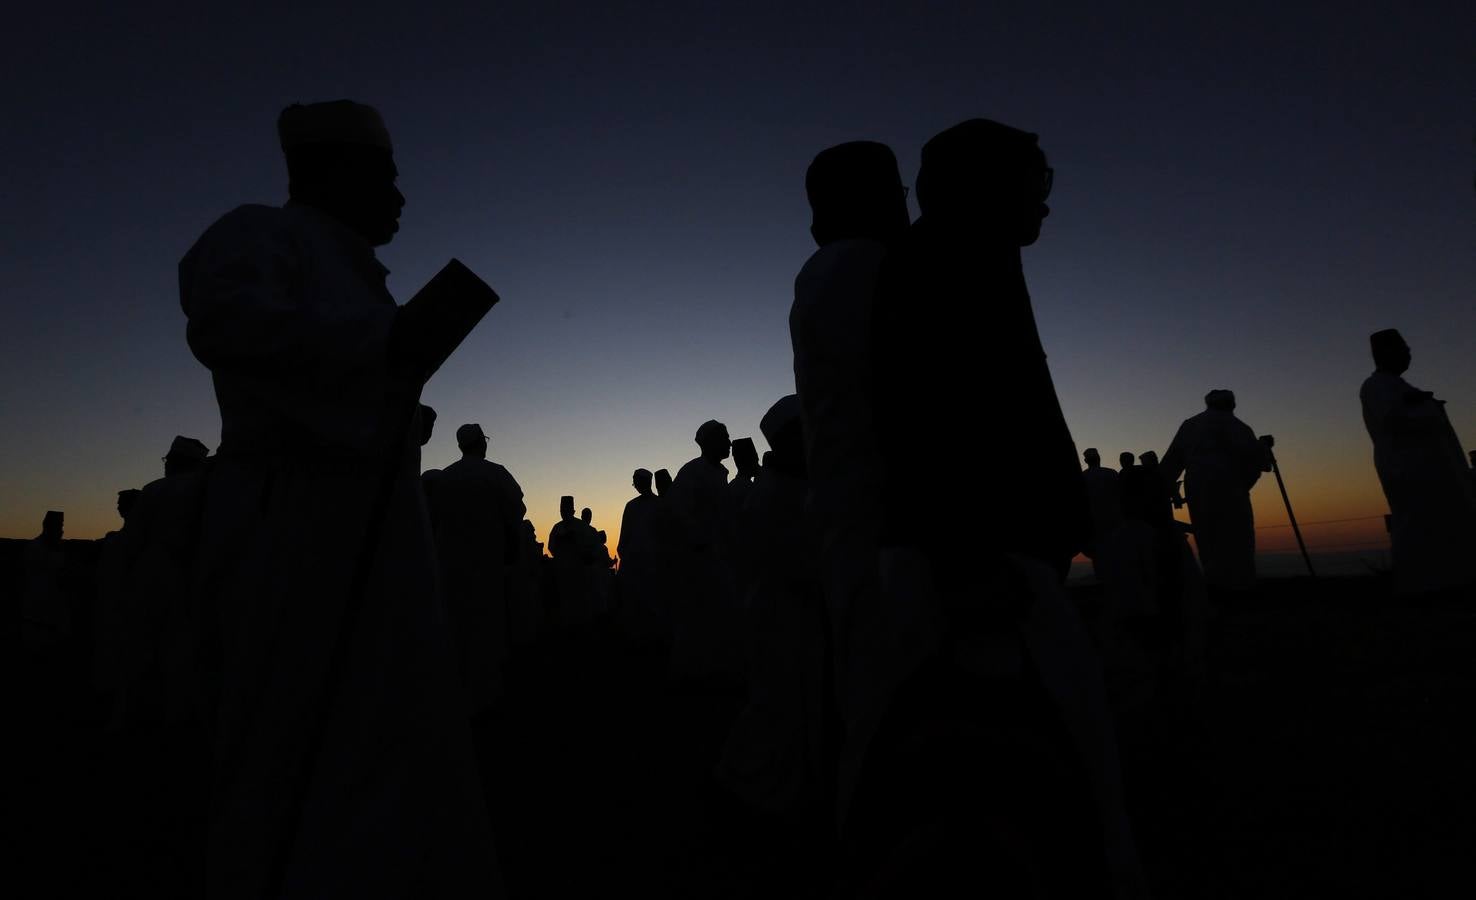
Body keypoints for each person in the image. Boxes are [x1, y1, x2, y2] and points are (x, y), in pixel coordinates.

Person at [178, 100, 498, 897]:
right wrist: (384, 351)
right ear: (334, 174)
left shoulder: (352, 270)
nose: (399, 197)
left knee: (391, 723)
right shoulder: (258, 234)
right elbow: (228, 325)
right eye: (386, 177)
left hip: (379, 536)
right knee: (296, 729)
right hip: (293, 530)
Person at [857, 119, 1140, 897]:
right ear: (987, 185)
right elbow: (923, 416)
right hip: (979, 574)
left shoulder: (972, 259)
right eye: (1035, 180)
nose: (1047, 203)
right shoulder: (940, 264)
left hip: (993, 563)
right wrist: (970, 567)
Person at [788, 141, 911, 794]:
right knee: (892, 700)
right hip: (888, 519)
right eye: (894, 194)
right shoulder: (864, 267)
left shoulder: (827, 271)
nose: (905, 206)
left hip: (857, 513)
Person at [1359, 329, 1476, 594]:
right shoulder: (1377, 385)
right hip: (1409, 469)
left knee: (1440, 524)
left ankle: (1448, 578)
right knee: (1418, 525)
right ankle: (1422, 584)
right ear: (1386, 353)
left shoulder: (1397, 386)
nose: (1409, 354)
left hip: (1428, 467)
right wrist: (1425, 408)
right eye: (1404, 349)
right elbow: (1394, 420)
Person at [426, 423, 526, 716]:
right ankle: (484, 696)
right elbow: (516, 511)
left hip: (450, 564)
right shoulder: (496, 474)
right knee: (486, 627)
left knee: (456, 624)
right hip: (486, 564)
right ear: (481, 444)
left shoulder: (445, 479)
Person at [1161, 390, 1270, 592]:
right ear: (1231, 404)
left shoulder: (1191, 425)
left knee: (1207, 535)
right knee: (1238, 536)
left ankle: (1216, 583)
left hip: (1199, 488)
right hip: (1231, 487)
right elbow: (1257, 461)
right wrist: (1263, 448)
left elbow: (1171, 463)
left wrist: (1163, 487)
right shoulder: (1239, 427)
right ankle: (1240, 583)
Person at [668, 420, 741, 683]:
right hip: (700, 563)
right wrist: (702, 544)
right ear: (710, 442)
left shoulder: (718, 474)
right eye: (725, 437)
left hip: (720, 558)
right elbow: (679, 515)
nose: (730, 443)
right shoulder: (692, 473)